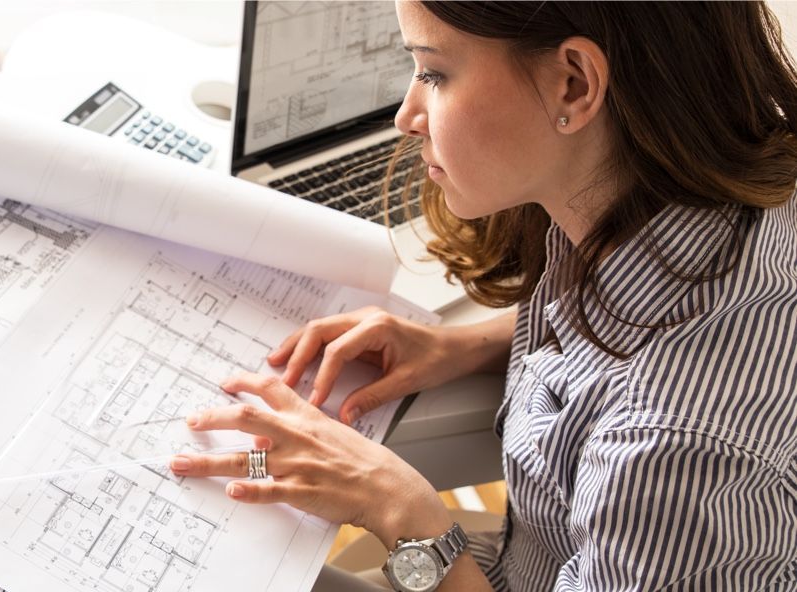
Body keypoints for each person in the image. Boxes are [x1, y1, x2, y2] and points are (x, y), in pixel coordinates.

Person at [168, 2, 797, 590]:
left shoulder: (674, 451)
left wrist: (395, 507)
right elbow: (623, 332)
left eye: (434, 73)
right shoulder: (714, 184)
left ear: (573, 85)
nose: (405, 115)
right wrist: (462, 346)